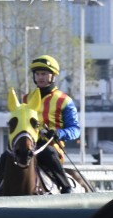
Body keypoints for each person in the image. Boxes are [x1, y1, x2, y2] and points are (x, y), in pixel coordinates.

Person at [22, 54, 82, 193]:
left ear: (53, 76)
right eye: (37, 74)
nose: (40, 77)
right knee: (6, 156)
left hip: (50, 147)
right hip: (28, 145)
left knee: (47, 152)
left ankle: (66, 188)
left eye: (44, 74)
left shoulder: (65, 100)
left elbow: (75, 130)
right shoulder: (26, 99)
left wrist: (58, 133)